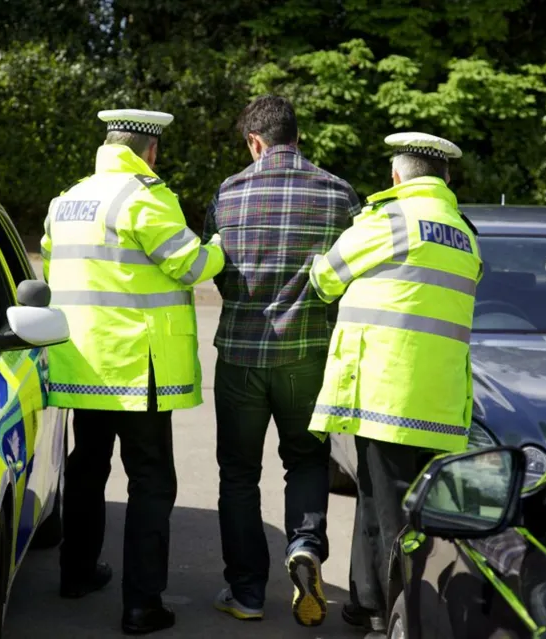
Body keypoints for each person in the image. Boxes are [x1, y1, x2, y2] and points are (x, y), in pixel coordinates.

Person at [41, 108, 225, 635]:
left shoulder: (67, 199)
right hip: (136, 365)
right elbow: (191, 266)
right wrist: (220, 247)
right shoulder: (144, 197)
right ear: (151, 150)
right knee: (150, 481)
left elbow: (54, 263)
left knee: (87, 468)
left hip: (82, 363)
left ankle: (76, 574)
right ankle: (142, 604)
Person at [307, 132, 483, 634]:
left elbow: (326, 279)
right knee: (390, 507)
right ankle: (366, 600)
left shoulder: (389, 220)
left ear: (395, 177)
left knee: (390, 518)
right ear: (446, 178)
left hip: (386, 394)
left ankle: (396, 613)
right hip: (442, 400)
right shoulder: (464, 232)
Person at [202, 95, 362, 627]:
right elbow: (350, 272)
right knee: (307, 461)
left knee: (239, 474)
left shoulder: (228, 192)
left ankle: (246, 591)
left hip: (242, 355)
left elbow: (219, 271)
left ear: (254, 141)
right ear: (298, 137)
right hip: (309, 357)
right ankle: (305, 548)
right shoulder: (339, 194)